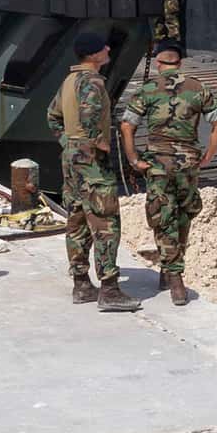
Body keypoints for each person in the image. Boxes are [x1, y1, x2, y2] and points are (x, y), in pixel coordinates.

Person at [120, 40, 217, 306]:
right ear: (180, 62)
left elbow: (126, 126)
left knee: (162, 216)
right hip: (188, 164)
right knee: (183, 213)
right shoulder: (197, 87)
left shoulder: (147, 89)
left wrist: (133, 159)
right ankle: (171, 270)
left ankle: (174, 276)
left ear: (158, 63)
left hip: (157, 164)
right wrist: (209, 154)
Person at [49, 30, 137, 310]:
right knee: (105, 221)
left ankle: (81, 284)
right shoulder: (92, 83)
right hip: (91, 163)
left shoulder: (69, 81)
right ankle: (109, 289)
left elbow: (52, 116)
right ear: (93, 54)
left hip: (72, 159)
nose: (108, 49)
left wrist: (69, 143)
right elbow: (89, 115)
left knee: (76, 220)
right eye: (103, 48)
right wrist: (98, 144)